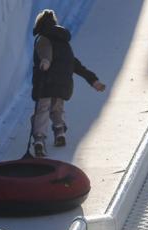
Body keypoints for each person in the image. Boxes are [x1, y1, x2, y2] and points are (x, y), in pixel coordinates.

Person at [31, 9, 106, 157]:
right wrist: (93, 80)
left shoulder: (43, 38)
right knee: (57, 108)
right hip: (63, 83)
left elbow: (46, 53)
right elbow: (74, 63)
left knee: (43, 110)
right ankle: (60, 132)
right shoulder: (64, 42)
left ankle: (39, 140)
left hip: (46, 82)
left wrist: (45, 62)